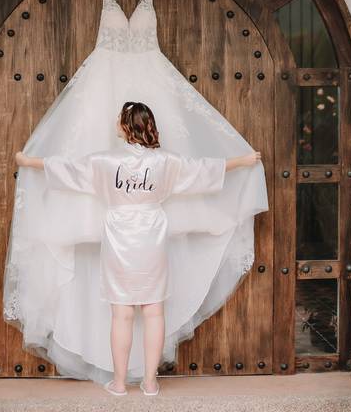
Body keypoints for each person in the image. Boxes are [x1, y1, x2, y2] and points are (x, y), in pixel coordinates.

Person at [15, 101, 261, 396]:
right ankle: (150, 381)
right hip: (152, 234)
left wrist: (27, 162)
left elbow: (67, 169)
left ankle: (119, 383)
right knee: (154, 311)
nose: (115, 123)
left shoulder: (104, 161)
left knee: (122, 314)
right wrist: (244, 161)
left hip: (119, 235)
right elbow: (205, 170)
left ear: (125, 125)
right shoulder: (166, 161)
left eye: (118, 118)